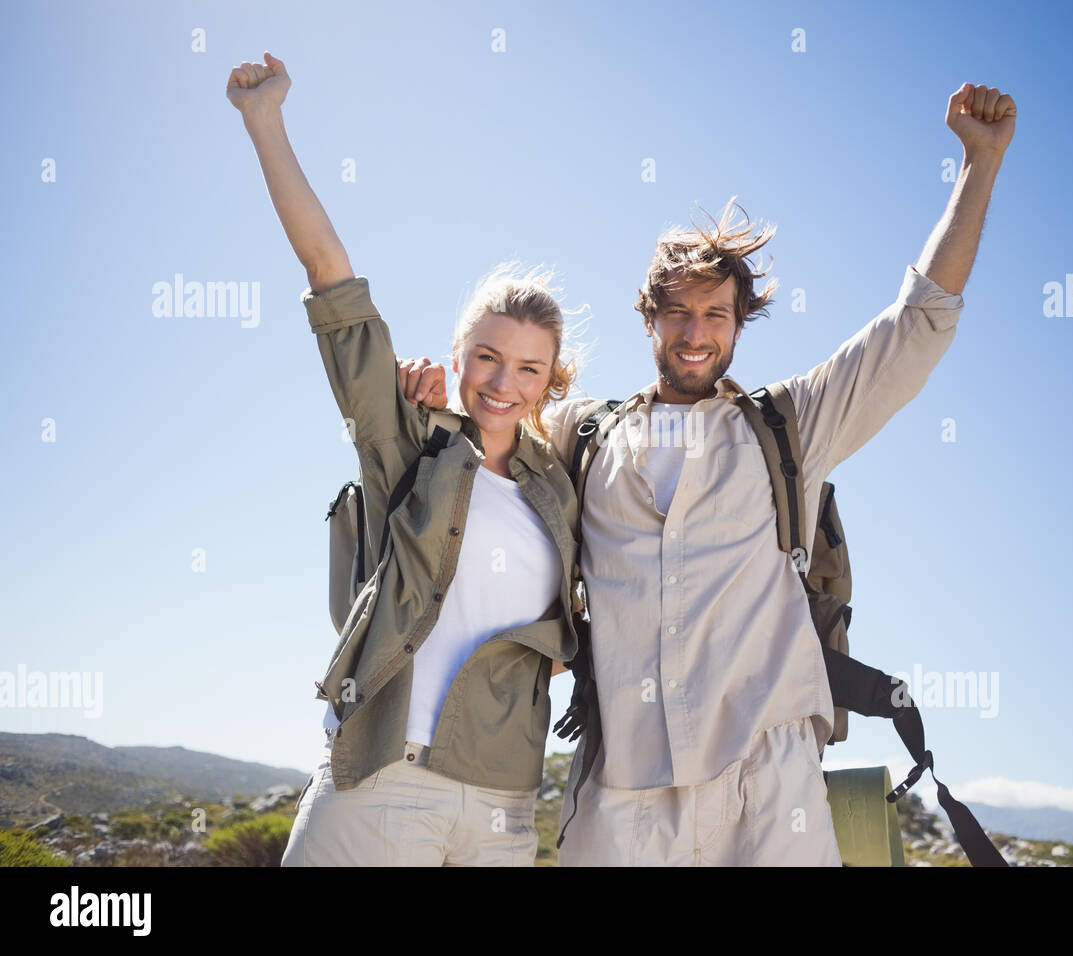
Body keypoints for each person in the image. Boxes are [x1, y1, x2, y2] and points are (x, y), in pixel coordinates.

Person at [401, 82, 1016, 866]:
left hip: (769, 784)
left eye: (715, 316)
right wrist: (422, 400)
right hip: (623, 789)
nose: (695, 335)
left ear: (738, 324)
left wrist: (977, 165)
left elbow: (918, 324)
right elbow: (497, 401)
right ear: (648, 318)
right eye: (678, 314)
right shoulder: (580, 432)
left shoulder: (790, 425)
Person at [227, 52, 584, 866]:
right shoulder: (410, 442)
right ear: (458, 354)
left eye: (529, 369)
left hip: (503, 804)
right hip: (383, 782)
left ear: (549, 382)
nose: (503, 382)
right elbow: (331, 278)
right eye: (488, 357)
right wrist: (266, 122)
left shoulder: (557, 488)